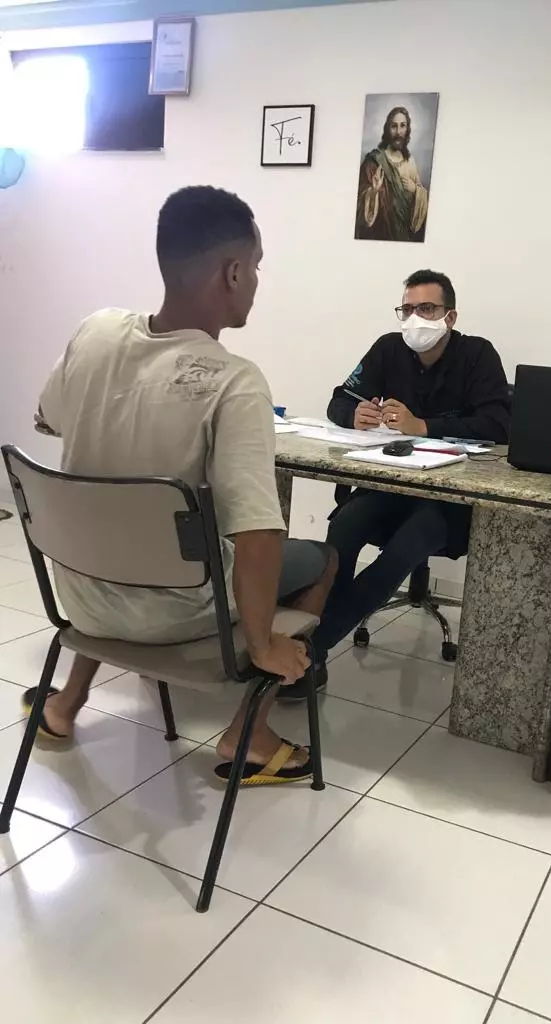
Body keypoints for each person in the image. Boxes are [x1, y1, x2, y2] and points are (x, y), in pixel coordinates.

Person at [31, 185, 337, 786]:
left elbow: (47, 419)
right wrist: (263, 643)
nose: (256, 281)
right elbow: (256, 533)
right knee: (321, 559)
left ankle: (65, 703)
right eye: (255, 268)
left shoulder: (96, 331)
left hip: (81, 600)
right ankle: (250, 733)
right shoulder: (235, 382)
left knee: (117, 528)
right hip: (172, 615)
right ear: (233, 273)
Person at [278, 269, 510, 701]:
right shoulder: (389, 348)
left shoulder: (478, 355)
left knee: (404, 547)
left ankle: (310, 649)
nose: (415, 318)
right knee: (344, 528)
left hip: (448, 501)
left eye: (428, 309)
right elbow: (339, 399)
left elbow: (498, 424)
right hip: (390, 488)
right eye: (407, 309)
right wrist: (353, 415)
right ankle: (310, 647)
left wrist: (424, 426)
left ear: (450, 316)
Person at [355, 106, 429, 243]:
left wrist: (415, 190)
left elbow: (422, 206)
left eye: (403, 126)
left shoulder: (410, 162)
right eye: (394, 126)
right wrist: (373, 191)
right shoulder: (374, 161)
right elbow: (358, 202)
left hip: (406, 240)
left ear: (407, 129)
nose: (398, 132)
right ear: (387, 129)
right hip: (380, 238)